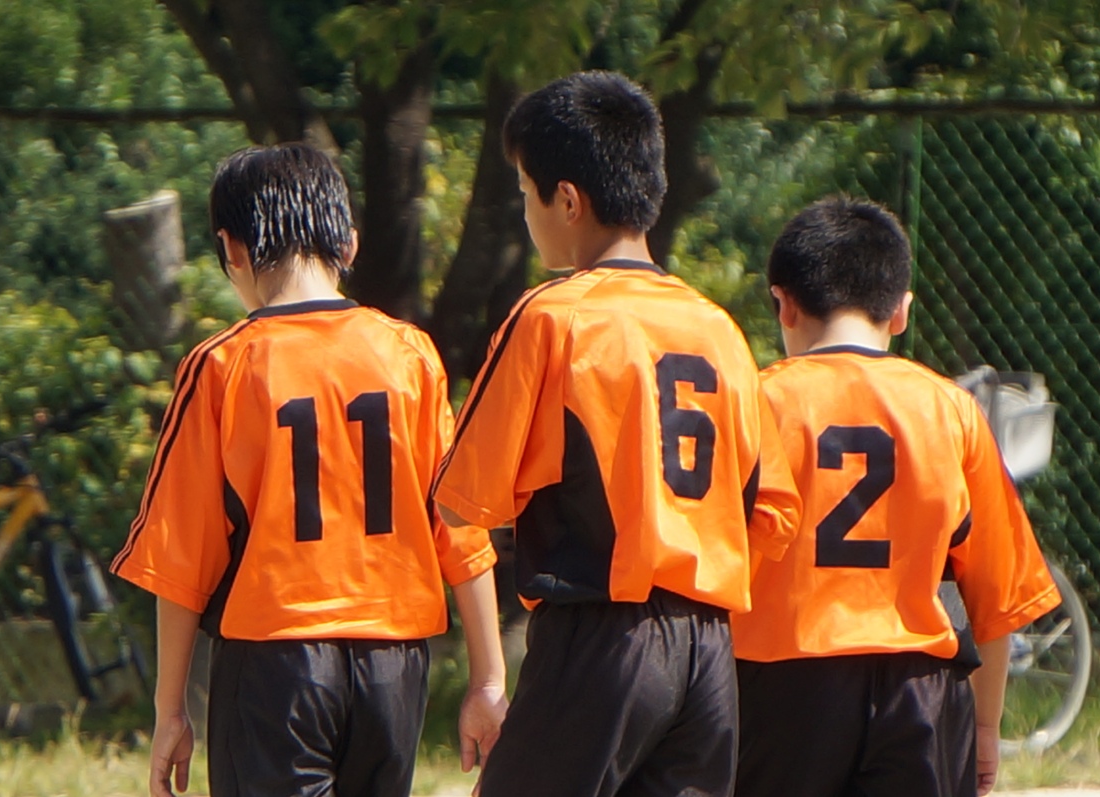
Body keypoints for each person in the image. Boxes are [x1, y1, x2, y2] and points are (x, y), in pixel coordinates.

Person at [431, 71, 802, 797]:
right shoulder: (718, 328)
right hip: (707, 650)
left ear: (568, 200)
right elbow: (776, 512)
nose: (525, 211)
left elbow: (461, 499)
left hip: (601, 635)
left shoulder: (554, 316)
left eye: (525, 192)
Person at [110, 143, 507, 797]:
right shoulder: (409, 355)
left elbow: (181, 555)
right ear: (348, 242)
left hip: (276, 659)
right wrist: (488, 679)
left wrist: (170, 708)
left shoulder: (222, 366)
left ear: (232, 249)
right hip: (394, 660)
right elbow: (461, 528)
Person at [731, 194, 1061, 797]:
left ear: (784, 304)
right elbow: (996, 596)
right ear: (901, 311)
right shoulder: (951, 409)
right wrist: (986, 727)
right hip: (919, 689)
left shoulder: (756, 401)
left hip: (780, 686)